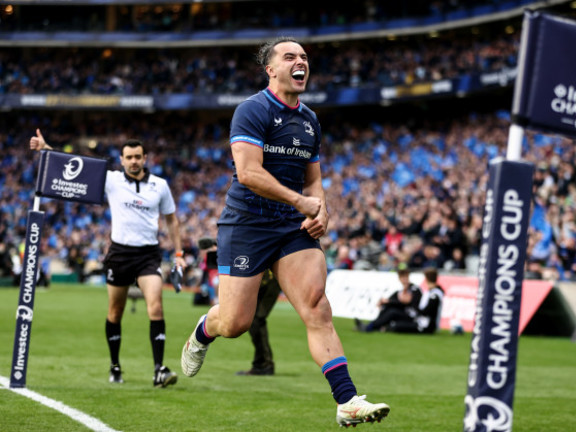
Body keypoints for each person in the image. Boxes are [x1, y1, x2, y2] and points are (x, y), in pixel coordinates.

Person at [180, 36, 390, 427]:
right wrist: (301, 202)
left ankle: (347, 400)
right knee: (236, 323)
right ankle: (204, 331)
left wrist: (321, 211)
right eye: (290, 56)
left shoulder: (309, 119)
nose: (301, 62)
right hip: (247, 224)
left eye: (305, 57)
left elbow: (314, 181)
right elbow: (248, 173)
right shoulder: (252, 110)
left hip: (292, 229)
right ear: (271, 69)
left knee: (317, 308)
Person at [30, 130, 186, 388]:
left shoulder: (160, 185)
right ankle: (115, 366)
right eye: (129, 157)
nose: (134, 161)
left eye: (138, 156)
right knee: (115, 312)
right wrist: (48, 149)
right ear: (122, 160)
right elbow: (77, 167)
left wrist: (179, 254)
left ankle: (159, 369)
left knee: (156, 307)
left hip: (148, 254)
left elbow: (172, 220)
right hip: (119, 254)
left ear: (145, 158)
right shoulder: (111, 179)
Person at [236, 269, 282, 376]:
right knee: (255, 319)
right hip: (267, 278)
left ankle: (264, 364)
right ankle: (263, 364)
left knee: (256, 319)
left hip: (270, 278)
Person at [356, 265, 422, 332]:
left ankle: (369, 327)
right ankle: (371, 325)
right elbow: (391, 300)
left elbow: (406, 301)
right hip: (404, 313)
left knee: (392, 312)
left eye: (405, 276)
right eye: (402, 277)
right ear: (399, 279)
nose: (404, 279)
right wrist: (383, 302)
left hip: (412, 316)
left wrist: (388, 301)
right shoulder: (400, 291)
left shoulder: (414, 289)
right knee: (386, 307)